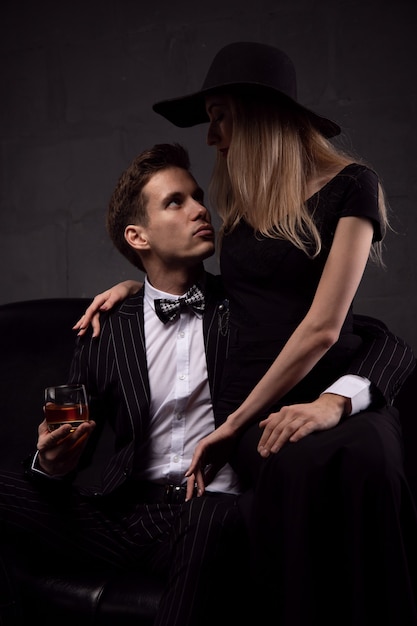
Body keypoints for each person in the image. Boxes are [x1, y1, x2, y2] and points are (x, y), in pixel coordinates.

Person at [74, 42, 417, 625]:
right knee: (287, 476)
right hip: (259, 411)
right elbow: (217, 289)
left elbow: (325, 327)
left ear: (259, 113)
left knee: (361, 464)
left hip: (320, 392)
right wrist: (137, 288)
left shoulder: (354, 187)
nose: (213, 138)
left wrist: (316, 407)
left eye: (219, 116)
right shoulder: (241, 209)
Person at [0, 143, 253, 626]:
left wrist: (339, 398)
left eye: (198, 196)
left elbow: (354, 332)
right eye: (175, 201)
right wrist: (51, 462)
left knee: (216, 516)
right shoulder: (107, 325)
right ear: (137, 236)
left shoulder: (244, 307)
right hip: (121, 515)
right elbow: (68, 428)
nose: (203, 209)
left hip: (205, 515)